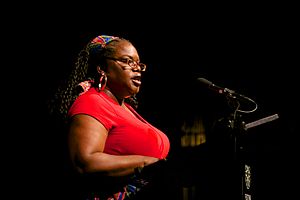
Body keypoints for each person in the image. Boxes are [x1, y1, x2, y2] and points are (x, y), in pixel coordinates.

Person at [48, 34, 170, 200]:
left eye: (138, 63)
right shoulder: (92, 102)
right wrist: (146, 163)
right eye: (127, 61)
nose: (136, 68)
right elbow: (85, 162)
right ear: (102, 68)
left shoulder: (127, 108)